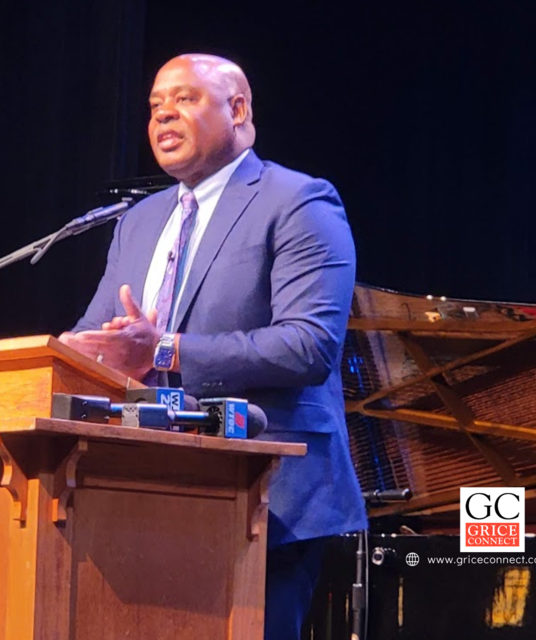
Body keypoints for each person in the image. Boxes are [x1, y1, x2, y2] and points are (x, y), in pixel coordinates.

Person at [59, 53, 368, 639]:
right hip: (142, 491)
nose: (163, 115)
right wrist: (74, 352)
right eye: (153, 106)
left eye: (185, 99)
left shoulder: (298, 201)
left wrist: (166, 350)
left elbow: (309, 346)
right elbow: (97, 342)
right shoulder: (139, 221)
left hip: (268, 499)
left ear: (239, 110)